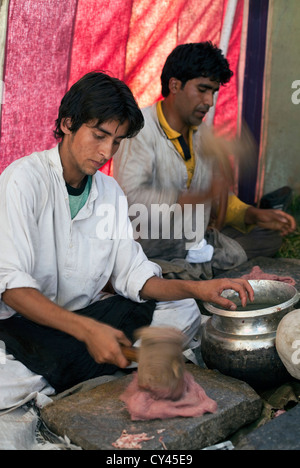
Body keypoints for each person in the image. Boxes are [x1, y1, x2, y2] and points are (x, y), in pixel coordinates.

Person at [0, 71, 254, 394]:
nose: (107, 152)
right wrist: (88, 331)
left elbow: (135, 276)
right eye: (99, 135)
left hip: (86, 318)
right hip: (25, 327)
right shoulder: (23, 181)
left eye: (117, 142)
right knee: (8, 380)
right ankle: (85, 363)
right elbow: (11, 290)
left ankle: (82, 364)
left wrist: (201, 289)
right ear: (67, 123)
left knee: (184, 309)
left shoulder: (109, 192)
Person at [113, 42, 296, 281]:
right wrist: (204, 195)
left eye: (213, 92)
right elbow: (133, 201)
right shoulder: (139, 131)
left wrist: (254, 215)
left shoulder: (200, 132)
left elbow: (218, 200)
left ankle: (196, 269)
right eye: (202, 89)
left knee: (268, 236)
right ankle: (186, 272)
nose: (209, 101)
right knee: (157, 269)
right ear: (175, 85)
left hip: (194, 238)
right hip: (154, 247)